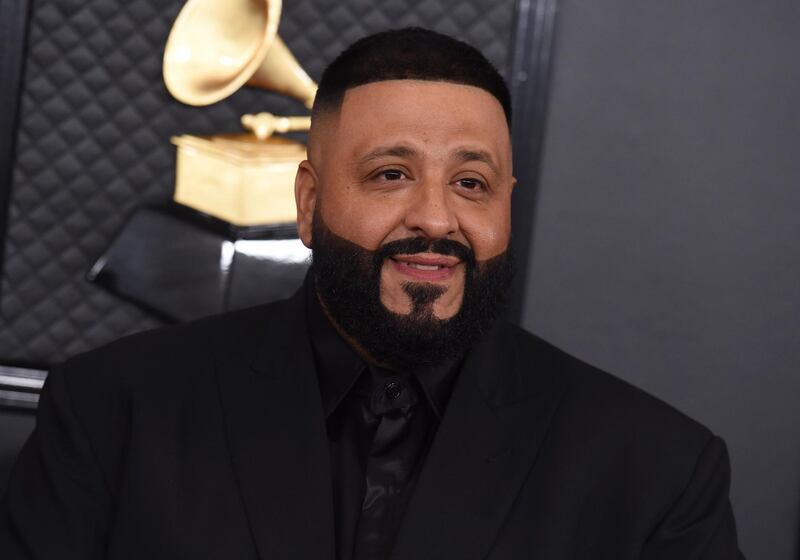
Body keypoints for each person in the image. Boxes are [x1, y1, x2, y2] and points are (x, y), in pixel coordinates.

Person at [0, 28, 743, 559]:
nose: (434, 217)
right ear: (308, 203)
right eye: (391, 174)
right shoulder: (109, 412)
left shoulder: (660, 469)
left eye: (472, 184)